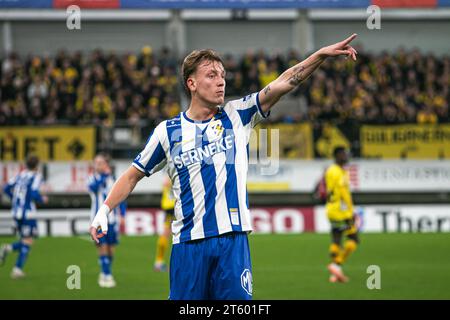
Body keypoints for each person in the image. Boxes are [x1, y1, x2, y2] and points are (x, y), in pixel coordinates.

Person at [90, 34, 358, 299]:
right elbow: (132, 174)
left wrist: (320, 55)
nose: (220, 82)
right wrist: (104, 210)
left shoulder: (237, 115)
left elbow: (284, 82)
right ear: (191, 83)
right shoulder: (167, 132)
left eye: (222, 76)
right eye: (211, 75)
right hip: (188, 245)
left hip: (233, 243)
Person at [0, 154, 48, 279]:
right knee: (28, 241)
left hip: (16, 212)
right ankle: (17, 269)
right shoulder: (36, 176)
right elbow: (33, 193)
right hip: (27, 213)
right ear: (37, 165)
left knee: (26, 239)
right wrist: (42, 199)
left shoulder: (20, 174)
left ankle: (8, 249)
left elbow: (5, 188)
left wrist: (14, 199)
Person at [88, 153, 126, 288]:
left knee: (111, 249)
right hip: (97, 219)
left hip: (112, 219)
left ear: (106, 164)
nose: (98, 165)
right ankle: (107, 275)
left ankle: (105, 271)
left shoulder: (113, 179)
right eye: (96, 163)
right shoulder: (92, 178)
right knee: (102, 247)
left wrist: (123, 215)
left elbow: (121, 196)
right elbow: (93, 188)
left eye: (100, 163)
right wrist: (104, 175)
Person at [325, 146, 359, 283]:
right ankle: (336, 264)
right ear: (337, 155)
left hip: (331, 210)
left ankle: (335, 273)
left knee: (336, 239)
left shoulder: (330, 170)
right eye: (344, 154)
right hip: (341, 212)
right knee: (354, 239)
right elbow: (344, 193)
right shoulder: (339, 172)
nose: (346, 157)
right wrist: (351, 212)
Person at [153, 174, 175, 272]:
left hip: (172, 206)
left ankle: (159, 261)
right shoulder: (170, 171)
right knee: (167, 233)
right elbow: (166, 183)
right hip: (172, 207)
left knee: (169, 233)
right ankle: (159, 261)